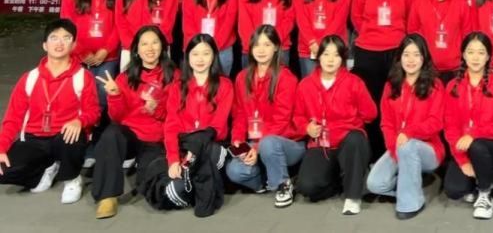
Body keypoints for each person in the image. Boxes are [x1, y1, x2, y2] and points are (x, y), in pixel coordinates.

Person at [0, 19, 100, 204]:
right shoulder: (29, 78)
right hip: (34, 138)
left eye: (66, 38)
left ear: (74, 45)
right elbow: (13, 118)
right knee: (3, 170)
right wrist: (1, 147)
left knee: (71, 137)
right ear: (45, 45)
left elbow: (93, 111)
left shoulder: (82, 76)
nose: (60, 43)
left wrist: (80, 121)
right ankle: (47, 167)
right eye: (54, 38)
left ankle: (72, 179)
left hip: (65, 136)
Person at [91, 25, 177, 219]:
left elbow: (176, 117)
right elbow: (117, 118)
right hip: (130, 135)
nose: (150, 48)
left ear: (163, 47)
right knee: (111, 134)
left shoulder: (174, 76)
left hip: (156, 139)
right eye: (144, 44)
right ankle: (107, 197)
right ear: (136, 49)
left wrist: (157, 109)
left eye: (154, 43)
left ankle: (144, 172)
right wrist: (114, 95)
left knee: (155, 191)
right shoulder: (125, 77)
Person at [292, 35, 375, 215]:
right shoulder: (305, 85)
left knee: (355, 139)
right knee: (307, 187)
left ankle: (352, 197)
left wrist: (352, 122)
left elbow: (370, 114)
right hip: (321, 144)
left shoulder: (354, 82)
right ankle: (339, 181)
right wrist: (306, 128)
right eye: (326, 54)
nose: (330, 60)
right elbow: (297, 117)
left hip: (348, 142)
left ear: (342, 59)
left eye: (336, 55)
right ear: (318, 56)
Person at [367, 34, 446, 219]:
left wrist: (409, 132)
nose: (411, 60)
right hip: (398, 146)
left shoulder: (435, 85)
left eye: (416, 55)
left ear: (424, 58)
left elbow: (436, 122)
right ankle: (412, 180)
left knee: (408, 147)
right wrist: (395, 147)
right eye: (406, 54)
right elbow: (386, 123)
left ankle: (411, 203)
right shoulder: (391, 86)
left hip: (429, 149)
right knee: (375, 184)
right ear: (399, 57)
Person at [157, 34, 233, 216]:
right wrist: (173, 160)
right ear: (188, 57)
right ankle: (195, 185)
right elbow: (171, 126)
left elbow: (218, 125)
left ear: (214, 56)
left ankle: (196, 188)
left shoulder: (224, 85)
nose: (200, 59)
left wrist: (195, 148)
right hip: (185, 147)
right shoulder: (177, 86)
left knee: (205, 155)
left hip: (212, 143)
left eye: (206, 53)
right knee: (169, 191)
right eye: (195, 54)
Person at [226, 26, 302, 207]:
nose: (261, 50)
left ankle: (283, 184)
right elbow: (239, 114)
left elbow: (281, 121)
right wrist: (238, 141)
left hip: (286, 142)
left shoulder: (286, 78)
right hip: (255, 142)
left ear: (276, 47)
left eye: (267, 45)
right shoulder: (242, 77)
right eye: (257, 45)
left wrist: (257, 147)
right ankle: (264, 180)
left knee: (268, 143)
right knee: (234, 171)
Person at [351, 0, 415, 157]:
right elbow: (356, 17)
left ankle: (395, 150)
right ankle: (373, 151)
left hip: (396, 51)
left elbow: (411, 19)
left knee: (394, 101)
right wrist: (371, 33)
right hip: (367, 52)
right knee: (370, 102)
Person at [442, 32, 493, 220]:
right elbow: (450, 128)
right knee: (454, 190)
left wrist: (473, 134)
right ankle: (485, 175)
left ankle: (485, 194)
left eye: (481, 52)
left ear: (488, 56)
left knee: (477, 146)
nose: (475, 57)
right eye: (470, 52)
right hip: (463, 148)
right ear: (463, 55)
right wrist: (462, 161)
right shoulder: (453, 86)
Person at [59, 0, 120, 127]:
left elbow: (121, 22)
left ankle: (96, 131)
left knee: (102, 92)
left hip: (108, 55)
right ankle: (79, 130)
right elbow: (66, 23)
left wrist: (106, 50)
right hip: (79, 54)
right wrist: (81, 51)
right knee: (79, 92)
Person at [407, 0, 472, 78]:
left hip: (455, 68)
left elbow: (467, 35)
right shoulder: (420, 0)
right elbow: (412, 32)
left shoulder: (461, 2)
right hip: (426, 66)